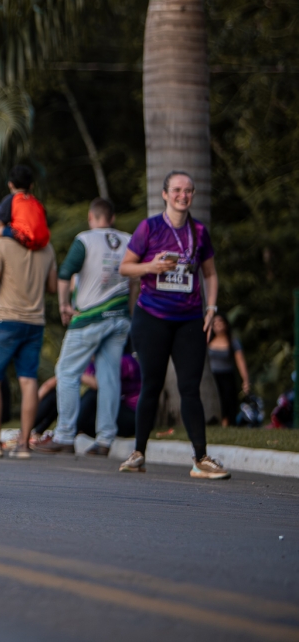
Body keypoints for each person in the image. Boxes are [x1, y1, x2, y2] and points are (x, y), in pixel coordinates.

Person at [118, 171, 229, 479]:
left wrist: (211, 308)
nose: (184, 195)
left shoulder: (199, 231)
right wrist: (151, 266)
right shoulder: (149, 227)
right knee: (151, 385)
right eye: (177, 190)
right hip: (151, 318)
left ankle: (201, 458)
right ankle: (139, 453)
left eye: (189, 190)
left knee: (189, 388)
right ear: (165, 194)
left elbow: (210, 274)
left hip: (189, 321)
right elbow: (125, 267)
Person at [33, 197, 131, 457]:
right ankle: (105, 439)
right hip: (120, 317)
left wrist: (64, 305)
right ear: (112, 218)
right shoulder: (128, 240)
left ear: (91, 217)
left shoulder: (85, 239)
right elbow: (136, 279)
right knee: (109, 378)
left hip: (90, 317)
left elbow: (66, 273)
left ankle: (65, 435)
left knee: (66, 372)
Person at [0, 199, 56, 459]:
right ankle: (24, 444)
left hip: (5, 320)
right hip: (35, 322)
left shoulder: (2, 244)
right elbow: (51, 288)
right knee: (28, 379)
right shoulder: (47, 247)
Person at [0, 165, 50, 250]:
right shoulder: (36, 202)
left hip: (25, 238)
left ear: (10, 184)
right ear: (31, 185)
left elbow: (2, 222)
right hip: (42, 240)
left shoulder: (11, 199)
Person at [209, 314, 250, 427]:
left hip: (227, 376)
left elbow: (240, 361)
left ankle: (229, 423)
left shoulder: (232, 341)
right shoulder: (209, 340)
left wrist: (245, 380)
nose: (217, 325)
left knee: (228, 400)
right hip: (213, 377)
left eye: (220, 322)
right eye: (215, 323)